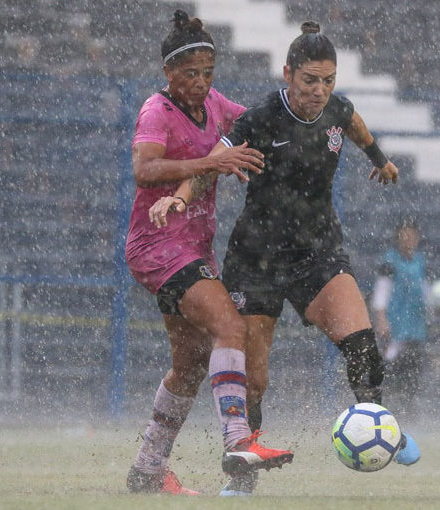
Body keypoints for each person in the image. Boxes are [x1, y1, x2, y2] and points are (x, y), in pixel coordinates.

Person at [151, 21, 420, 496]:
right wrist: (181, 193)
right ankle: (243, 472)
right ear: (288, 74)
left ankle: (382, 427)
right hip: (257, 260)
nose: (319, 91)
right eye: (309, 81)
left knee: (361, 343)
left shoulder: (337, 110)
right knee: (253, 380)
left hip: (318, 250)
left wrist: (379, 158)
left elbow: (353, 124)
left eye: (328, 81)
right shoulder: (258, 121)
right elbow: (216, 159)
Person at [125, 10, 293, 497]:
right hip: (158, 246)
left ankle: (147, 469)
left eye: (208, 73)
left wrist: (301, 118)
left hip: (190, 248)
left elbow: (255, 124)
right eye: (190, 74)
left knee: (192, 362)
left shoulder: (215, 104)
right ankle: (238, 440)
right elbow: (144, 168)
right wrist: (213, 161)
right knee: (230, 327)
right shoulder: (156, 110)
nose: (201, 83)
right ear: (168, 74)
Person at [372, 219, 429, 412]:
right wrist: (381, 319)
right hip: (395, 326)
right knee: (391, 369)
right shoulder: (390, 261)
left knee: (413, 371)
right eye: (405, 235)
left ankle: (410, 412)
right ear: (398, 238)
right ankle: (387, 410)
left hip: (416, 327)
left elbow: (425, 292)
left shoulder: (420, 261)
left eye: (412, 236)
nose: (408, 240)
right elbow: (381, 292)